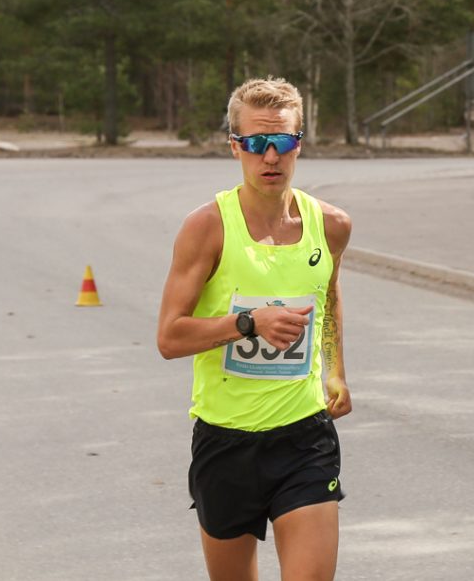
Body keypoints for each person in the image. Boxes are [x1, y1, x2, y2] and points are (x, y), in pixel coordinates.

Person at [156, 76, 352, 581]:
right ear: (235, 147)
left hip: (304, 438)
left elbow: (327, 295)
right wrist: (249, 323)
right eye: (257, 144)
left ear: (299, 144)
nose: (271, 156)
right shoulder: (207, 226)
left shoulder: (330, 225)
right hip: (226, 442)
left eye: (283, 142)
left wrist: (335, 371)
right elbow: (170, 337)